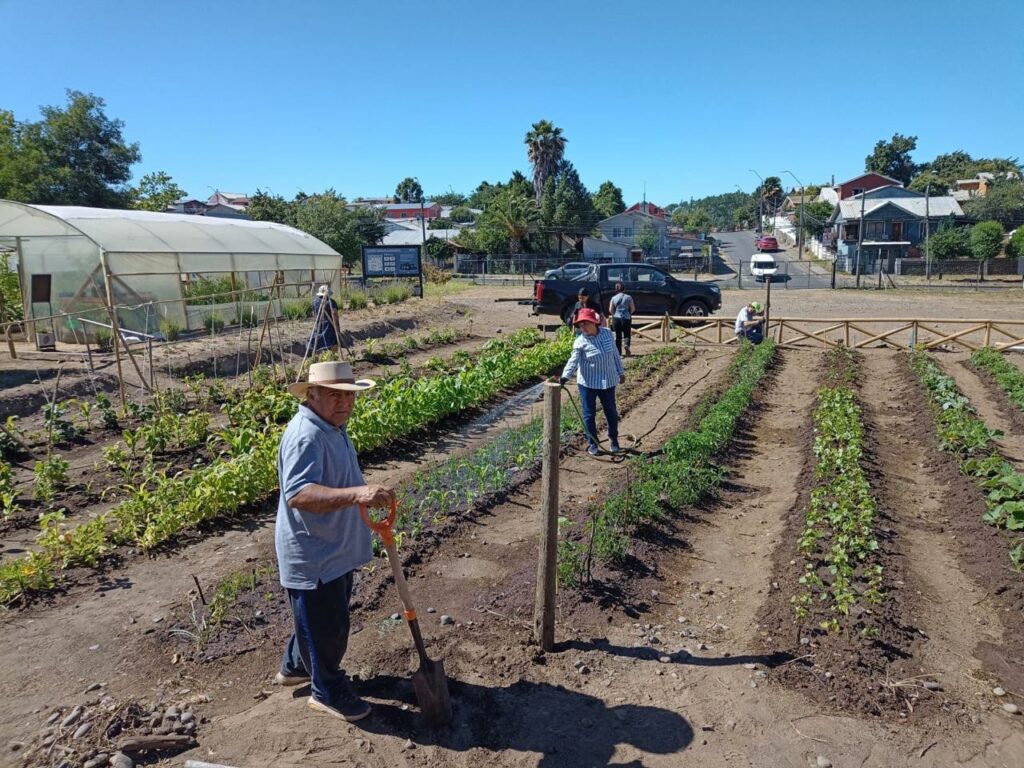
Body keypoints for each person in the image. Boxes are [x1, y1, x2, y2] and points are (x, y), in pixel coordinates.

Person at [275, 360, 396, 723]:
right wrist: (358, 493)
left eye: (349, 396)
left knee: (322, 617)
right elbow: (299, 494)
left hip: (333, 547)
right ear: (312, 395)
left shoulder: (330, 426)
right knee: (329, 625)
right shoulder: (306, 435)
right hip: (315, 552)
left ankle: (296, 666)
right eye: (333, 395)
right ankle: (325, 690)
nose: (344, 403)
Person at [559, 307, 625, 456]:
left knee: (611, 412)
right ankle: (593, 443)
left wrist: (621, 372)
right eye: (580, 325)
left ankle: (613, 440)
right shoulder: (580, 342)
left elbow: (615, 354)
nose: (583, 327)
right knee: (589, 414)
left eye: (586, 324)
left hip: (608, 381)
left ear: (595, 323)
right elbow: (573, 361)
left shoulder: (607, 334)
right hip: (588, 383)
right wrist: (564, 377)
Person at [307, 285, 340, 355]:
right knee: (333, 344)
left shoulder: (315, 302)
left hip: (319, 325)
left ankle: (320, 357)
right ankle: (332, 357)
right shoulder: (331, 302)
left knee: (319, 342)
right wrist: (337, 329)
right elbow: (334, 315)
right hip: (329, 326)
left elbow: (314, 315)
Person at [608, 282, 636, 357]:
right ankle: (626, 345)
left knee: (618, 336)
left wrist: (614, 314)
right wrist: (628, 313)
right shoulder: (629, 297)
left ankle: (619, 353)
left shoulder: (613, 298)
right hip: (626, 318)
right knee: (627, 334)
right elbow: (633, 308)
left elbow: (610, 310)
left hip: (616, 318)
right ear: (624, 289)